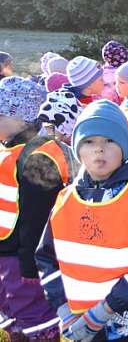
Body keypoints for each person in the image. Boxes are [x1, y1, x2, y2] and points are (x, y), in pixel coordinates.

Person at [36, 100, 128, 342]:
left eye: (109, 141)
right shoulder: (65, 199)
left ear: (125, 147)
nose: (99, 149)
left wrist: (104, 311)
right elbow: (46, 257)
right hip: (77, 319)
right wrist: (62, 309)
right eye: (89, 141)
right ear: (78, 150)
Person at [0, 77, 76, 341]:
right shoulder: (14, 148)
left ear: (20, 118)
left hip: (23, 262)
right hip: (8, 252)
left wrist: (31, 268)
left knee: (34, 321)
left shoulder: (38, 158)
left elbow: (38, 218)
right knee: (13, 314)